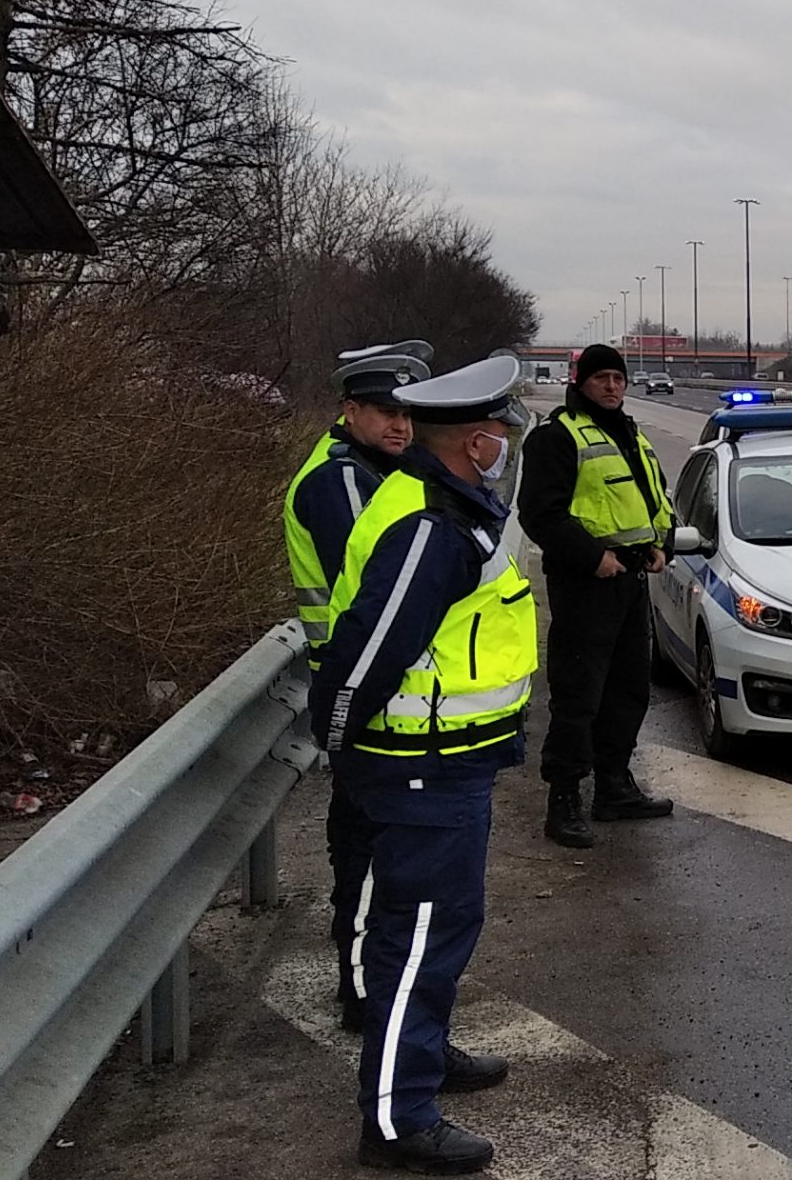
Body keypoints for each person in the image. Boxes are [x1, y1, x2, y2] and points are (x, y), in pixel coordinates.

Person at [314, 354, 532, 1175]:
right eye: (501, 432)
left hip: (436, 763)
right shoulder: (431, 525)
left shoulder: (447, 505)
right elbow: (368, 652)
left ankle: (423, 1059)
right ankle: (398, 1120)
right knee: (421, 942)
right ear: (475, 443)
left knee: (419, 933)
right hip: (418, 769)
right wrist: (340, 737)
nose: (507, 441)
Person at [284, 340, 431, 1037]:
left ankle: (380, 991)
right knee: (368, 855)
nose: (399, 425)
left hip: (373, 693)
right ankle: (363, 997)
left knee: (382, 853)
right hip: (364, 697)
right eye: (384, 412)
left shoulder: (373, 470)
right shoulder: (342, 480)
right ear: (350, 411)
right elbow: (378, 592)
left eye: (407, 413)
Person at [516, 341, 676, 848]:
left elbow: (652, 499)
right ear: (581, 381)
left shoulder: (630, 433)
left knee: (628, 691)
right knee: (578, 695)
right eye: (603, 377)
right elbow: (541, 514)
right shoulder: (558, 437)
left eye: (618, 378)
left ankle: (613, 786)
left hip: (629, 580)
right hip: (587, 583)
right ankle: (563, 799)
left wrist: (659, 545)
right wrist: (593, 557)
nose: (612, 386)